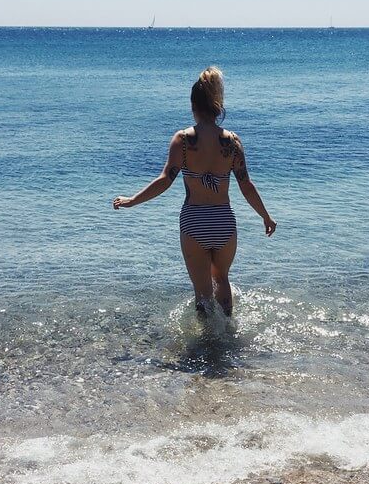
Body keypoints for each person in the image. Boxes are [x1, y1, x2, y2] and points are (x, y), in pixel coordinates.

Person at [113, 67, 276, 316]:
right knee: (221, 278)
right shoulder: (232, 142)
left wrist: (133, 200)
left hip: (195, 221)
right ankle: (226, 332)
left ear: (193, 105)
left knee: (202, 291)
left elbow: (165, 179)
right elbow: (246, 185)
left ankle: (207, 343)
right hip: (224, 221)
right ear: (217, 105)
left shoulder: (183, 140)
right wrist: (265, 216)